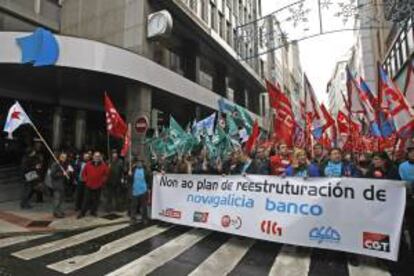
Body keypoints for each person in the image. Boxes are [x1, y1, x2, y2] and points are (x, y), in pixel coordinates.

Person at [78, 151, 109, 218]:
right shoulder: (88, 164)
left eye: (98, 156)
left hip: (98, 185)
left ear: (100, 157)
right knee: (86, 200)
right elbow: (84, 173)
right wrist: (86, 180)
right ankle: (82, 213)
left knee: (96, 200)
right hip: (89, 185)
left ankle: (93, 211)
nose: (96, 157)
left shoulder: (103, 165)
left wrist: (102, 181)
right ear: (93, 157)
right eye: (95, 156)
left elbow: (106, 174)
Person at [129, 158, 151, 224]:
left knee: (144, 206)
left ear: (142, 163)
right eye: (138, 162)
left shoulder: (146, 171)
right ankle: (133, 219)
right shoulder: (133, 170)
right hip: (135, 191)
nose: (139, 164)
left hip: (143, 191)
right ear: (136, 163)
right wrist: (129, 175)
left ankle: (144, 219)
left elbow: (149, 179)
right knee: (134, 206)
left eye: (140, 162)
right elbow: (129, 181)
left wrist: (148, 187)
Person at [50, 152, 72, 218]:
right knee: (57, 199)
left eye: (65, 157)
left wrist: (68, 172)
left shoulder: (65, 164)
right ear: (59, 157)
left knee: (61, 199)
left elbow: (66, 173)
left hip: (63, 184)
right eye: (62, 157)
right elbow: (53, 174)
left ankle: (59, 210)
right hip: (57, 185)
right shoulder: (56, 164)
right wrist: (62, 174)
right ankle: (56, 212)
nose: (64, 158)